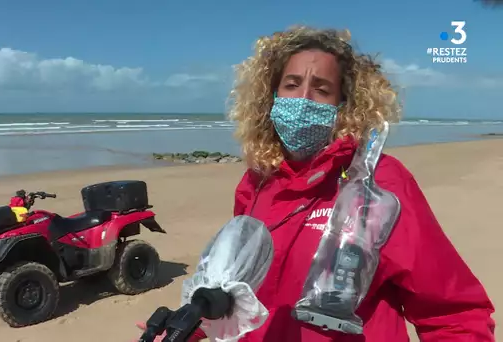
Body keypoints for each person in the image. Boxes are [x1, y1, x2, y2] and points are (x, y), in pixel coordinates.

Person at [136, 25, 495, 341]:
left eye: (321, 89)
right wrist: (194, 321)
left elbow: (454, 316)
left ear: (343, 105)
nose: (303, 98)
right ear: (271, 98)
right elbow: (238, 285)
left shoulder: (381, 184)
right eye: (291, 85)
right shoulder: (257, 183)